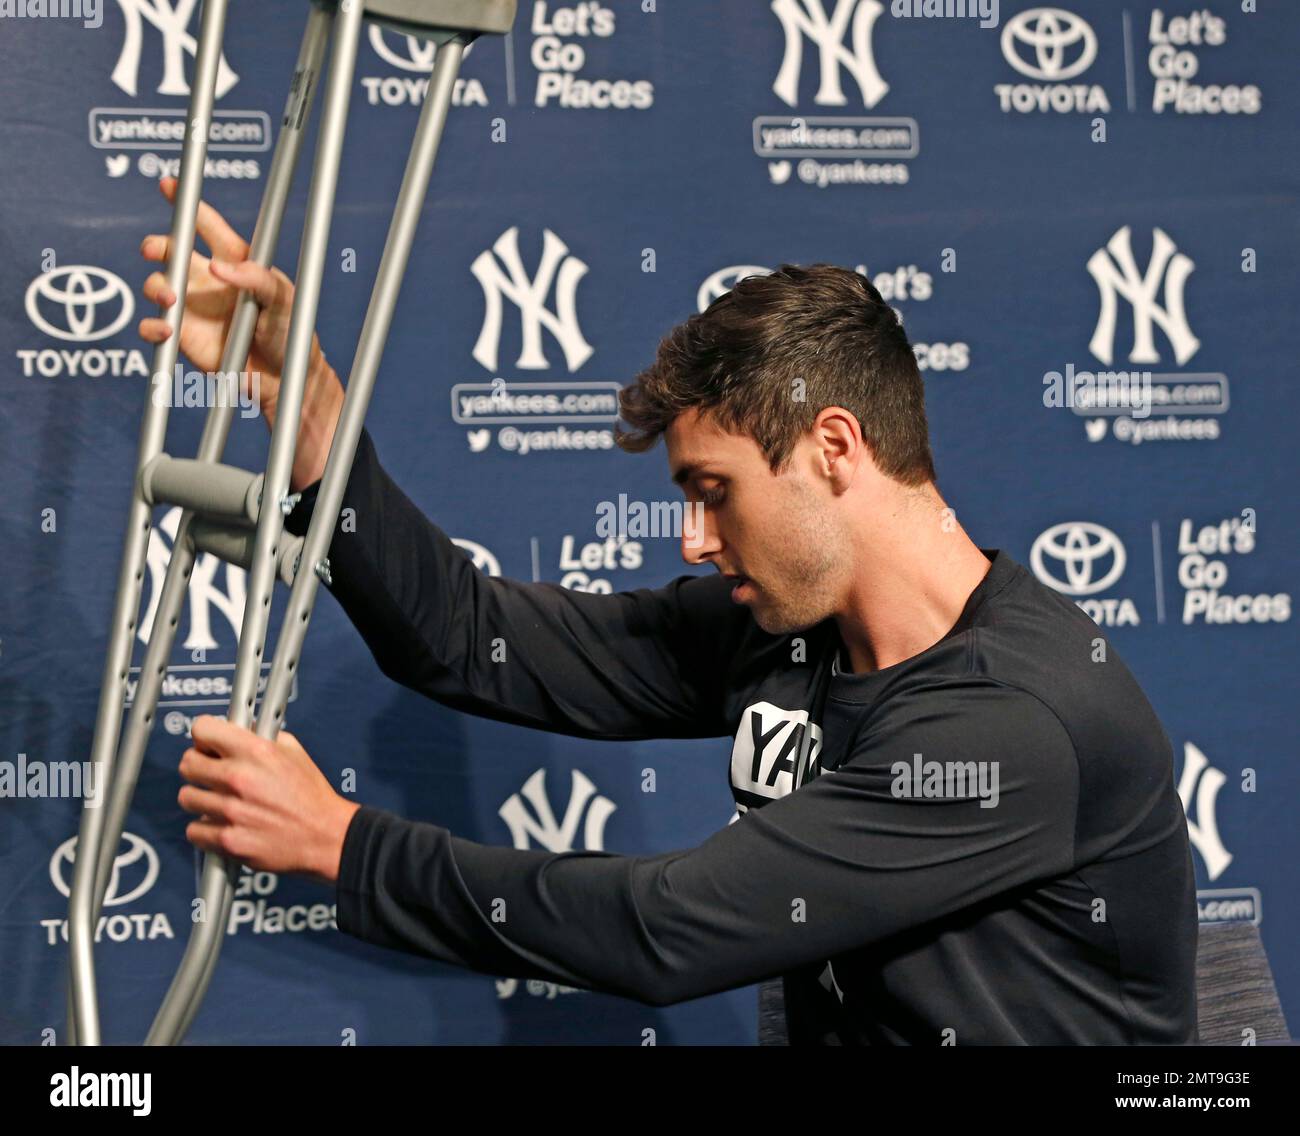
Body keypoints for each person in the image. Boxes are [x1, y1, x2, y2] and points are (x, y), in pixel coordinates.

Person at [137, 177, 1198, 1045]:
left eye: (713, 490)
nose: (692, 540)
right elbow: (470, 639)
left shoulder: (1016, 720)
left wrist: (345, 844)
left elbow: (665, 932)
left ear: (834, 448)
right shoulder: (784, 628)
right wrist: (312, 406)